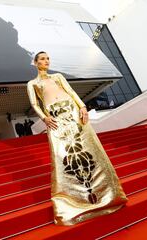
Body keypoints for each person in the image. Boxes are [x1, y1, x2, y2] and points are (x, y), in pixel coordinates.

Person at [27, 51, 127, 225]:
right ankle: (76, 199)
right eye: (42, 59)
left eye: (48, 58)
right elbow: (35, 104)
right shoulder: (32, 83)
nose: (46, 61)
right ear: (35, 63)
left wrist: (82, 107)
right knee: (64, 155)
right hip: (55, 119)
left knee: (89, 148)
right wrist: (44, 118)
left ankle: (108, 194)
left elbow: (70, 91)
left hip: (73, 112)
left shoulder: (57, 76)